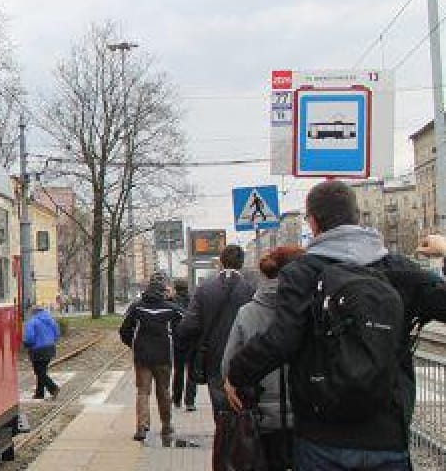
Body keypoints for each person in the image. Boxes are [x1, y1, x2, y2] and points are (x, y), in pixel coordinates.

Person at [225, 180, 446, 471]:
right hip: (387, 435)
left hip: (322, 438)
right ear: (357, 217)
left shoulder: (302, 273)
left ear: (314, 223)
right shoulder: (398, 269)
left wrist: (236, 374)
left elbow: (281, 339)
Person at [221, 246, 303, 471]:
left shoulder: (247, 313)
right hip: (304, 419)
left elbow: (227, 365)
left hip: (260, 419)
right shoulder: (308, 309)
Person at [175, 244, 255, 470]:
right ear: (241, 263)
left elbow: (188, 326)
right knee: (244, 413)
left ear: (220, 261)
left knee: (221, 416)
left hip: (214, 361)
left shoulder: (205, 289)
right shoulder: (250, 288)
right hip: (245, 361)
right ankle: (243, 457)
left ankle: (224, 460)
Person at [119, 271, 182, 441]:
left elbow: (124, 330)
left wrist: (133, 344)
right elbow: (183, 330)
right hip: (163, 356)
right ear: (163, 291)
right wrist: (176, 345)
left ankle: (141, 427)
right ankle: (166, 425)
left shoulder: (137, 307)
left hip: (142, 357)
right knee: (164, 391)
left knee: (143, 392)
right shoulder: (172, 309)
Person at [170, 278, 197, 412]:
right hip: (192, 340)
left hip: (178, 340)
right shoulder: (194, 300)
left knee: (178, 371)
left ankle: (176, 399)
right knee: (192, 372)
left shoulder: (172, 301)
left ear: (176, 288)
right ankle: (190, 402)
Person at [23, 305, 61, 399]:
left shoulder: (32, 321)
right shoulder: (51, 320)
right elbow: (57, 333)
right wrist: (51, 341)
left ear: (34, 312)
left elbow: (30, 337)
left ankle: (53, 388)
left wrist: (27, 344)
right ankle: (39, 394)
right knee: (42, 371)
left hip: (38, 350)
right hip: (50, 348)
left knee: (39, 372)